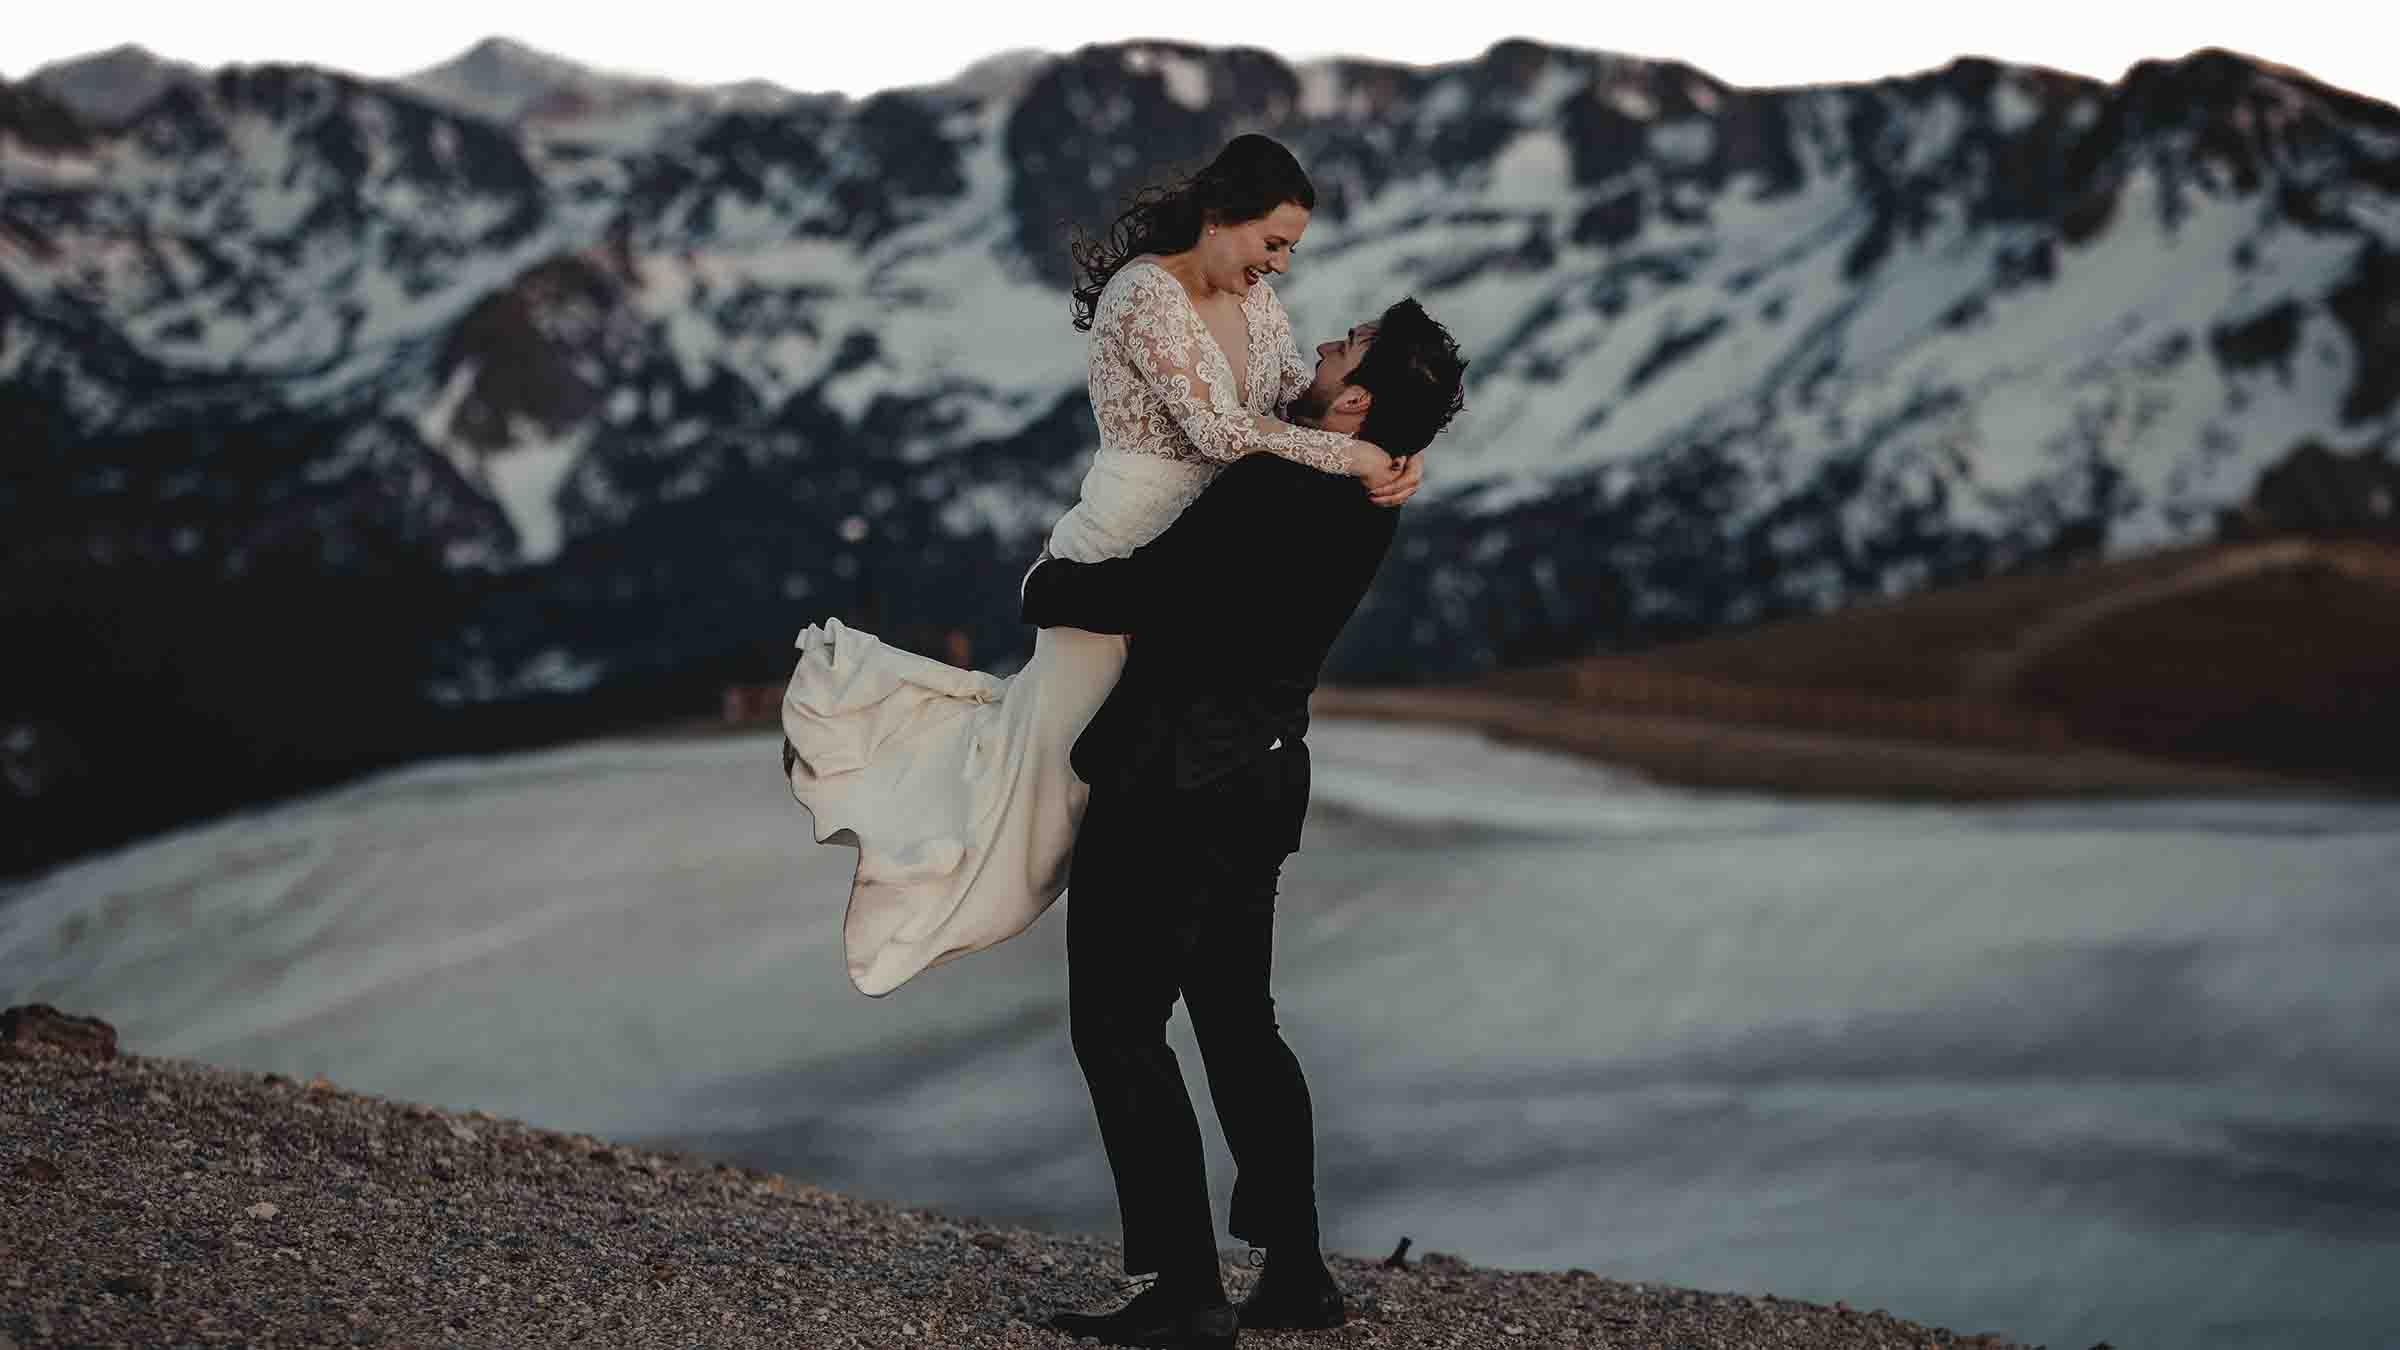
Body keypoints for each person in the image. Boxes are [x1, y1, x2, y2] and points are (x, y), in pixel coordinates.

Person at [780, 134, 1420, 996]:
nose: (1280, 265)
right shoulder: (1144, 294)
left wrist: (1391, 451)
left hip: (1191, 545)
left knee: (1112, 756)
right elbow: (1223, 434)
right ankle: (918, 875)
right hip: (1123, 537)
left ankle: (1143, 966)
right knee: (1046, 767)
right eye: (1272, 243)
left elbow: (1288, 413)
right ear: (1219, 218)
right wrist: (1360, 460)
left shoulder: (1259, 306)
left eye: (1291, 250)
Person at [1029, 297, 1469, 1348]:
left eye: (1345, 345)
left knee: (1121, 1026)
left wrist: (1048, 586)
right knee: (1237, 1020)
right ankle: (1298, 1275)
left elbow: (1151, 588)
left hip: (1177, 779)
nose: (1322, 344)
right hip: (1265, 776)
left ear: (1354, 399)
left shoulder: (1284, 479)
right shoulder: (1369, 490)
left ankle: (1187, 1294)